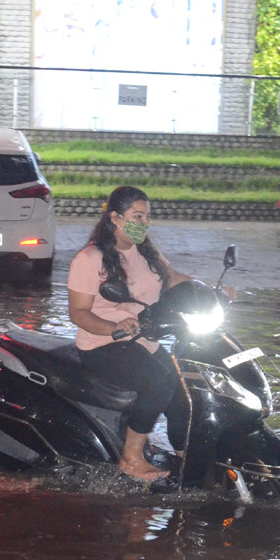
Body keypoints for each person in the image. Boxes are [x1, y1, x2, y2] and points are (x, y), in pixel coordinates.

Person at [67, 186, 232, 482]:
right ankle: (131, 459)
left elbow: (174, 280)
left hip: (144, 339)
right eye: (138, 216)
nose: (145, 223)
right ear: (116, 218)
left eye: (147, 217)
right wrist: (113, 326)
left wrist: (211, 292)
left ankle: (187, 459)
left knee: (183, 392)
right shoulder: (91, 258)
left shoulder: (145, 250)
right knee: (158, 385)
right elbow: (78, 313)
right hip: (104, 343)